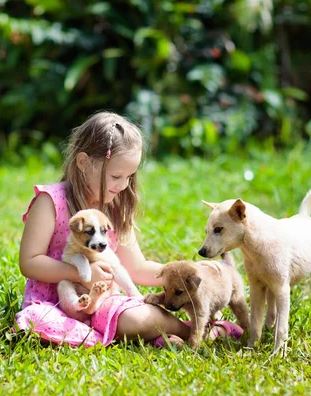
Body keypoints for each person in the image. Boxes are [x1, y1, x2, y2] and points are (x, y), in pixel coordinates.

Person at [15, 111, 243, 347]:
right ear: (83, 162)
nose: (123, 185)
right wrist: (78, 274)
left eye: (129, 177)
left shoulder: (113, 210)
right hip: (53, 303)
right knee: (39, 324)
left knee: (135, 318)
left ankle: (193, 330)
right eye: (116, 176)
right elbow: (29, 262)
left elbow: (137, 268)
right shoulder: (51, 201)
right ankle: (176, 334)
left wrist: (185, 271)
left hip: (103, 302)